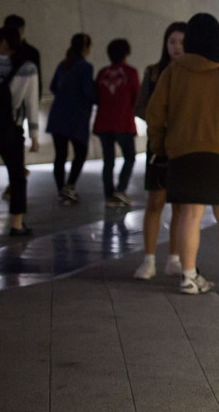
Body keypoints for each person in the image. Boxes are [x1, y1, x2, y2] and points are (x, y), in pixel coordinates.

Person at [146, 12, 219, 296]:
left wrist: (161, 146)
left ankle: (188, 277)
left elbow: (154, 113)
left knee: (189, 215)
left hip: (184, 153)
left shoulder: (174, 71)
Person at [134, 22, 186, 280]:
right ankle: (149, 260)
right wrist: (159, 121)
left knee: (180, 205)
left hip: (183, 145)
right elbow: (141, 106)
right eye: (171, 42)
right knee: (155, 201)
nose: (176, 47)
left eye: (181, 42)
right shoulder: (154, 72)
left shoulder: (192, 72)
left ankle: (174, 259)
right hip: (158, 144)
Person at [0, 27, 40, 235]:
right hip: (10, 128)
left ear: (2, 42)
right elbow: (31, 103)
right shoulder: (27, 67)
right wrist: (34, 135)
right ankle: (16, 223)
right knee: (17, 176)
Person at [47, 33, 96, 205]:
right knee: (80, 153)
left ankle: (61, 190)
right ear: (86, 48)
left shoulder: (64, 64)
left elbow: (53, 87)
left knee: (60, 155)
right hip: (76, 117)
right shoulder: (85, 67)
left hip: (58, 116)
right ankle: (70, 186)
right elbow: (88, 92)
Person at [93, 38, 140, 208]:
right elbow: (136, 96)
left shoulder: (102, 73)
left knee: (108, 160)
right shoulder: (131, 72)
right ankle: (121, 190)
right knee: (130, 157)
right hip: (123, 122)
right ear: (127, 53)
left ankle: (109, 195)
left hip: (103, 123)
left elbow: (96, 96)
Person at [2, 15, 41, 97]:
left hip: (22, 98)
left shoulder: (31, 52)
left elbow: (37, 84)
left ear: (21, 30)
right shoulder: (2, 50)